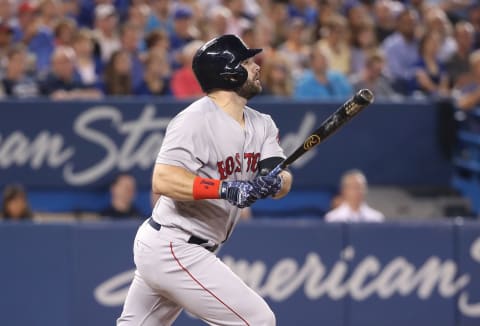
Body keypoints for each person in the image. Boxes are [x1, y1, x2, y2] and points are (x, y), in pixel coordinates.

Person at [117, 34, 293, 326]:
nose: (257, 66)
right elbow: (164, 180)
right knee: (257, 320)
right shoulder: (195, 119)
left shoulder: (263, 124)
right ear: (228, 71)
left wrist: (275, 182)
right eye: (247, 62)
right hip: (174, 243)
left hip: (181, 246)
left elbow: (281, 175)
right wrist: (225, 188)